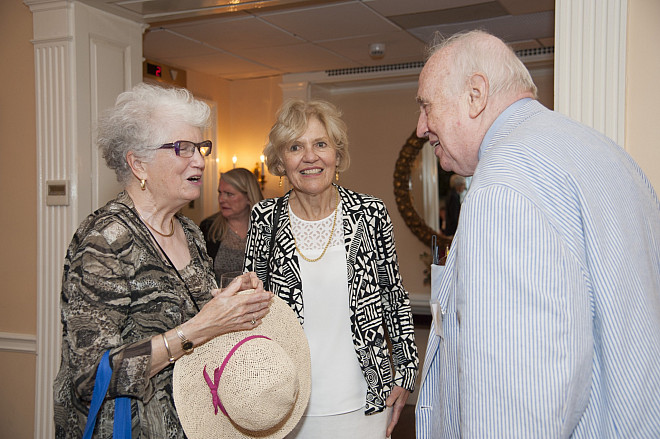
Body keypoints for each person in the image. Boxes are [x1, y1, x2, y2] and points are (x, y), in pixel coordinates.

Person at [415, 30, 660, 438]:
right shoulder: (610, 154)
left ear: (476, 94)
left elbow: (515, 410)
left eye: (426, 105)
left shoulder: (504, 186)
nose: (421, 126)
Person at [53, 82, 272, 439]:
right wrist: (199, 329)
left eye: (200, 147)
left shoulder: (189, 231)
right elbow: (91, 376)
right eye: (181, 148)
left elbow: (195, 314)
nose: (200, 160)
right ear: (139, 163)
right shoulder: (106, 240)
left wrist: (230, 301)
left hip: (195, 423)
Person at [244, 99, 418, 439]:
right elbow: (251, 309)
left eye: (321, 144)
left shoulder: (369, 213)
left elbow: (393, 296)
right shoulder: (265, 219)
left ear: (336, 154)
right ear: (282, 161)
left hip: (363, 402)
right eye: (296, 147)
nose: (310, 157)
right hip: (285, 403)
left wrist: (406, 373)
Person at [199, 167, 263, 283]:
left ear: (248, 197)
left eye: (229, 194)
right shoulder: (209, 228)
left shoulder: (265, 229)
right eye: (220, 193)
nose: (221, 199)